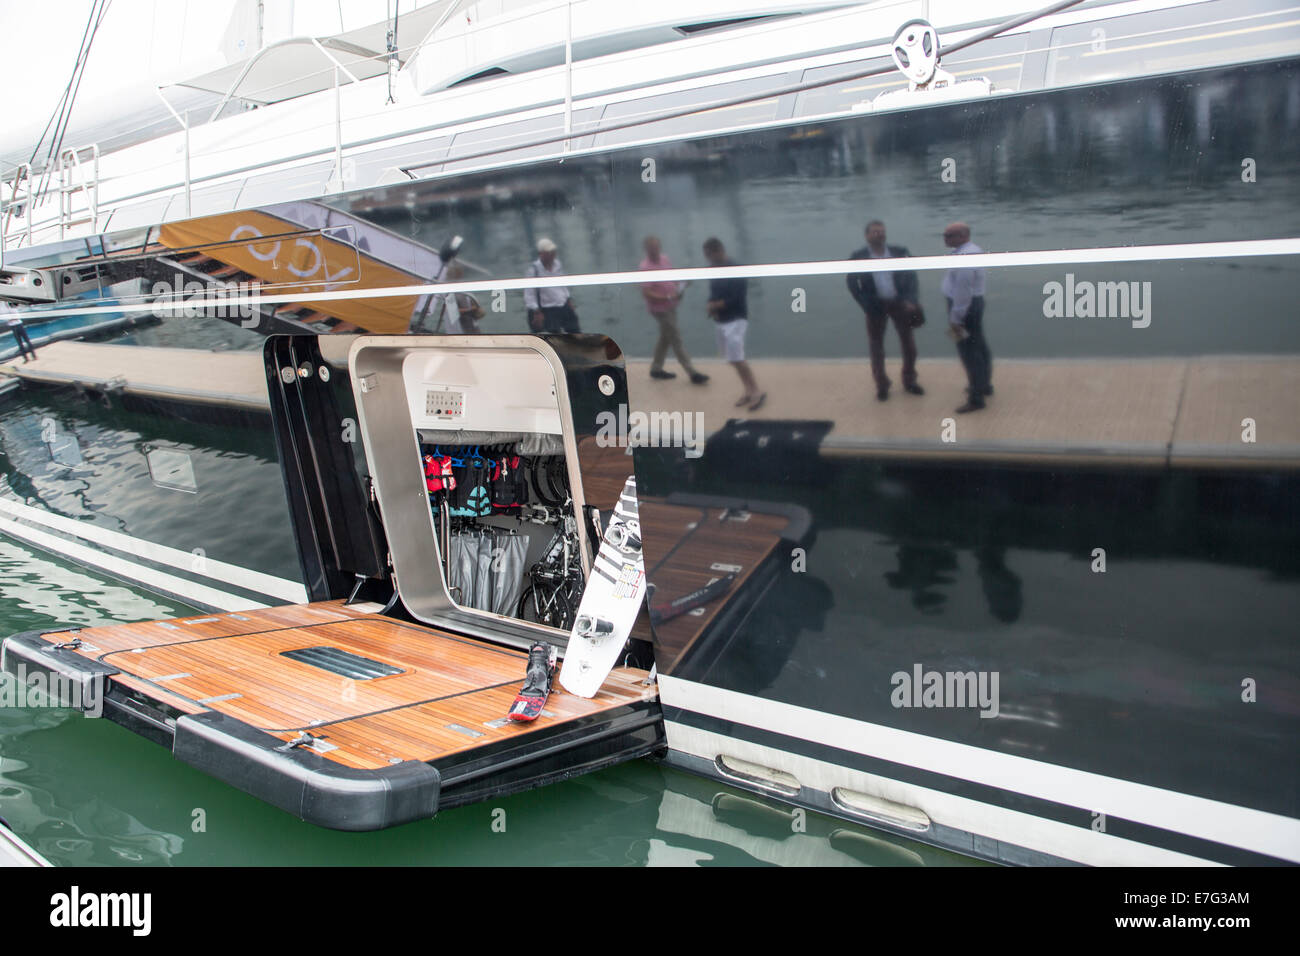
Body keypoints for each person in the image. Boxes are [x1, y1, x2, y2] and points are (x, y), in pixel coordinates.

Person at [846, 220, 923, 401]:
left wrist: (911, 299)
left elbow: (912, 277)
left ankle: (909, 380)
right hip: (875, 306)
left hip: (899, 303)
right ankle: (882, 385)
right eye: (875, 232)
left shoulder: (900, 252)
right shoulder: (858, 256)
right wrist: (864, 303)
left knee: (909, 345)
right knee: (876, 346)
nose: (879, 235)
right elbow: (851, 282)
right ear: (867, 236)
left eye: (881, 232)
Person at [703, 237, 764, 411]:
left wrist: (715, 305)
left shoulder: (736, 270)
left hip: (736, 319)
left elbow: (737, 298)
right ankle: (748, 389)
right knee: (732, 359)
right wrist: (711, 304)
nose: (708, 259)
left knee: (738, 358)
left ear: (718, 251)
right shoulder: (712, 269)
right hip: (721, 320)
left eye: (709, 255)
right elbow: (713, 293)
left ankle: (756, 391)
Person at [639, 236, 707, 384]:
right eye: (652, 248)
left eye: (657, 247)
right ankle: (692, 373)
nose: (655, 250)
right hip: (660, 310)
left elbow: (672, 277)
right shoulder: (645, 267)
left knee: (665, 338)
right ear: (647, 249)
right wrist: (668, 297)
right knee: (676, 338)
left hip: (671, 306)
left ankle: (656, 369)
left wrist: (682, 283)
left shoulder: (664, 259)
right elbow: (647, 292)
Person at [940, 222, 992, 413]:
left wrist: (956, 317)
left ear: (963, 236)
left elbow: (963, 290)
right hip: (973, 304)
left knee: (969, 353)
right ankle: (984, 384)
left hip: (964, 308)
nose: (945, 238)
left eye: (949, 235)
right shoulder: (970, 250)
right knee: (979, 346)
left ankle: (976, 396)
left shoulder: (966, 256)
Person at [523, 238, 580, 333]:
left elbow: (562, 284)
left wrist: (568, 299)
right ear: (541, 254)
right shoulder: (534, 271)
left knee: (575, 331)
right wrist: (536, 311)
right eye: (549, 252)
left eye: (553, 252)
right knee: (554, 336)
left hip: (562, 305)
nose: (553, 254)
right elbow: (529, 295)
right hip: (547, 309)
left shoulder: (557, 264)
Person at [440, 262, 484, 334]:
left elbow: (477, 308)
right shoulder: (449, 291)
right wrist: (471, 310)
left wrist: (478, 310)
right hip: (459, 330)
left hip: (473, 327)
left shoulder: (465, 289)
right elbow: (453, 312)